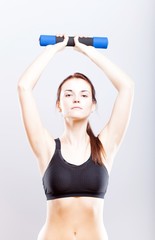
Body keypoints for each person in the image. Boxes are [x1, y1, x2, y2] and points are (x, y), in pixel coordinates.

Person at [17, 35, 134, 240]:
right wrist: (53, 49)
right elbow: (24, 86)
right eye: (68, 94)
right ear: (59, 105)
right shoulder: (46, 149)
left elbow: (127, 87)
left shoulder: (105, 146)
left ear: (93, 104)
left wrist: (88, 51)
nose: (77, 98)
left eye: (84, 94)